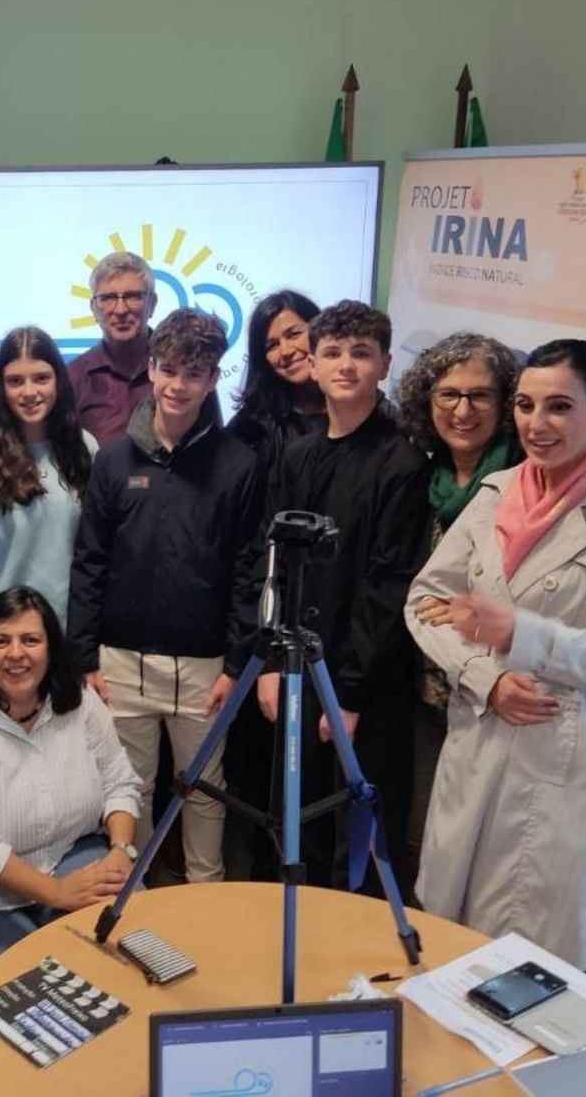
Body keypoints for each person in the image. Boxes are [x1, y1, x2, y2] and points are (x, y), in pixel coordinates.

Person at [408, 339, 586, 970]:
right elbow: (425, 600)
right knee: (451, 940)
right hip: (480, 731)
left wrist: (520, 633)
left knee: (528, 960)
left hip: (561, 755)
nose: (537, 423)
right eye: (527, 405)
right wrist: (483, 675)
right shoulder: (493, 493)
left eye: (559, 407)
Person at [69, 308, 260, 885]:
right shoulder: (113, 460)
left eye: (195, 373)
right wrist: (84, 656)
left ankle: (206, 895)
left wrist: (235, 661)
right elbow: (90, 560)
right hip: (120, 660)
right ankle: (139, 894)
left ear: (213, 378)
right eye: (170, 369)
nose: (180, 385)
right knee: (130, 789)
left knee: (204, 790)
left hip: (204, 665)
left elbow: (249, 571)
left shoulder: (238, 464)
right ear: (151, 368)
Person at [246, 300, 430, 890]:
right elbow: (273, 559)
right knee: (297, 820)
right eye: (332, 353)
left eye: (360, 353)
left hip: (364, 682)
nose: (345, 365)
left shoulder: (401, 463)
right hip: (297, 667)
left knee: (357, 827)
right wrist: (271, 661)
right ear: (314, 366)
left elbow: (387, 586)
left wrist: (347, 692)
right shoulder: (297, 454)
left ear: (384, 364)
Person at [0, 586, 142, 1004]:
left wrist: (121, 851)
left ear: (51, 648)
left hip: (71, 852)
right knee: (11, 1014)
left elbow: (119, 781)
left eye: (31, 640)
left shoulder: (81, 700)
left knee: (131, 978)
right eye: (1, 641)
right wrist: (57, 894)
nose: (16, 653)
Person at [393, 332, 522, 890]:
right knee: (426, 834)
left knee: (491, 849)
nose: (462, 410)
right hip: (425, 690)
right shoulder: (423, 481)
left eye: (480, 396)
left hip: (500, 697)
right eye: (447, 395)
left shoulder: (523, 485)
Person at [0, 327, 96, 638]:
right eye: (15, 381)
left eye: (41, 378)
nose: (29, 392)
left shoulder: (86, 449)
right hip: (5, 644)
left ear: (59, 381)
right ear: (1, 387)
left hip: (71, 639)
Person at [227, 289, 325, 476]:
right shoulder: (250, 429)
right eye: (272, 345)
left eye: (294, 334)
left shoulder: (359, 410)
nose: (286, 351)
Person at [67, 250, 158, 445]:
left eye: (133, 296)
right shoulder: (72, 378)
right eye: (108, 298)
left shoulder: (184, 370)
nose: (121, 310)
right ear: (94, 309)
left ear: (152, 304)